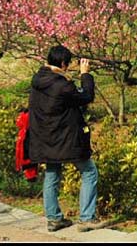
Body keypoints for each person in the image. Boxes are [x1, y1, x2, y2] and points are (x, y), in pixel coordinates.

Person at [28, 45, 108, 233]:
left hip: (45, 138)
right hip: (66, 139)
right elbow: (86, 96)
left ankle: (54, 219)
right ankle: (87, 218)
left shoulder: (38, 80)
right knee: (89, 171)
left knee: (52, 173)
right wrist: (85, 75)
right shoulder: (61, 85)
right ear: (63, 63)